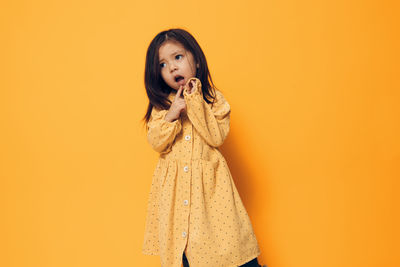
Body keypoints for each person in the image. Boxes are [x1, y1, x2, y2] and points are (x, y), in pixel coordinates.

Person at [141, 28, 267, 267]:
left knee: (231, 247)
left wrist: (193, 102)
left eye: (177, 57)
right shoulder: (161, 107)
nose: (172, 67)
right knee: (187, 249)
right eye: (163, 65)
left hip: (212, 196)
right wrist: (172, 115)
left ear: (196, 60)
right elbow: (156, 142)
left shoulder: (212, 99)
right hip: (178, 199)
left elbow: (216, 136)